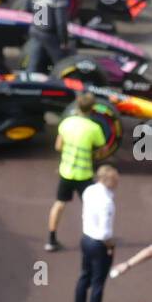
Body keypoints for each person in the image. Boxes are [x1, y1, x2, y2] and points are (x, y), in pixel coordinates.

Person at [46, 91, 109, 252]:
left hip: (66, 172)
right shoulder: (94, 128)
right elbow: (103, 150)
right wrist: (93, 154)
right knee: (92, 206)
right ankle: (94, 239)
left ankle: (51, 240)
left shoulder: (66, 123)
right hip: (84, 175)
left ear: (77, 106)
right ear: (92, 108)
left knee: (59, 204)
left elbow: (58, 146)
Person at [70, 164, 118, 302]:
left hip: (86, 239)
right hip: (99, 245)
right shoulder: (107, 203)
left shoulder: (89, 191)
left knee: (84, 277)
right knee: (98, 284)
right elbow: (105, 233)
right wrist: (110, 246)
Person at [22, 0, 72, 75]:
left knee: (33, 64)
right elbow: (61, 22)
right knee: (62, 64)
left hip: (35, 30)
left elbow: (27, 8)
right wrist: (64, 41)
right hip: (49, 35)